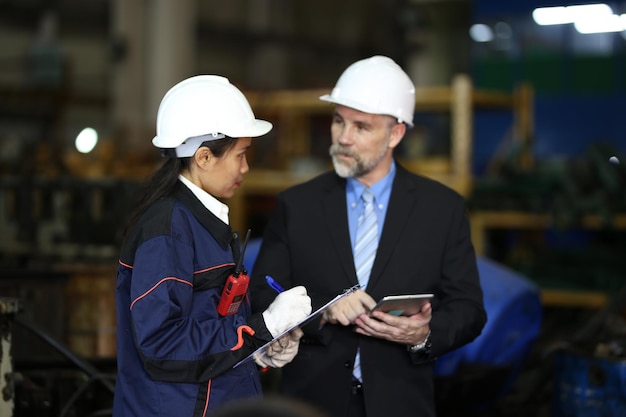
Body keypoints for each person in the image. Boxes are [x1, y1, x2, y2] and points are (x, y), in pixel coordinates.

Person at [249, 56, 487, 417]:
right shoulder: (297, 206)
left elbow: (468, 308)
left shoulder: (442, 210)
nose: (343, 138)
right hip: (311, 401)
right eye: (338, 121)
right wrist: (323, 312)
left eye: (361, 127)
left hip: (400, 402)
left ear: (395, 133)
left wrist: (423, 334)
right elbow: (263, 294)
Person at [113, 75, 312, 417]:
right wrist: (259, 327)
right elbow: (161, 344)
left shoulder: (201, 219)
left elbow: (212, 325)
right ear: (204, 157)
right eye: (241, 154)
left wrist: (260, 349)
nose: (246, 167)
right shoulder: (168, 231)